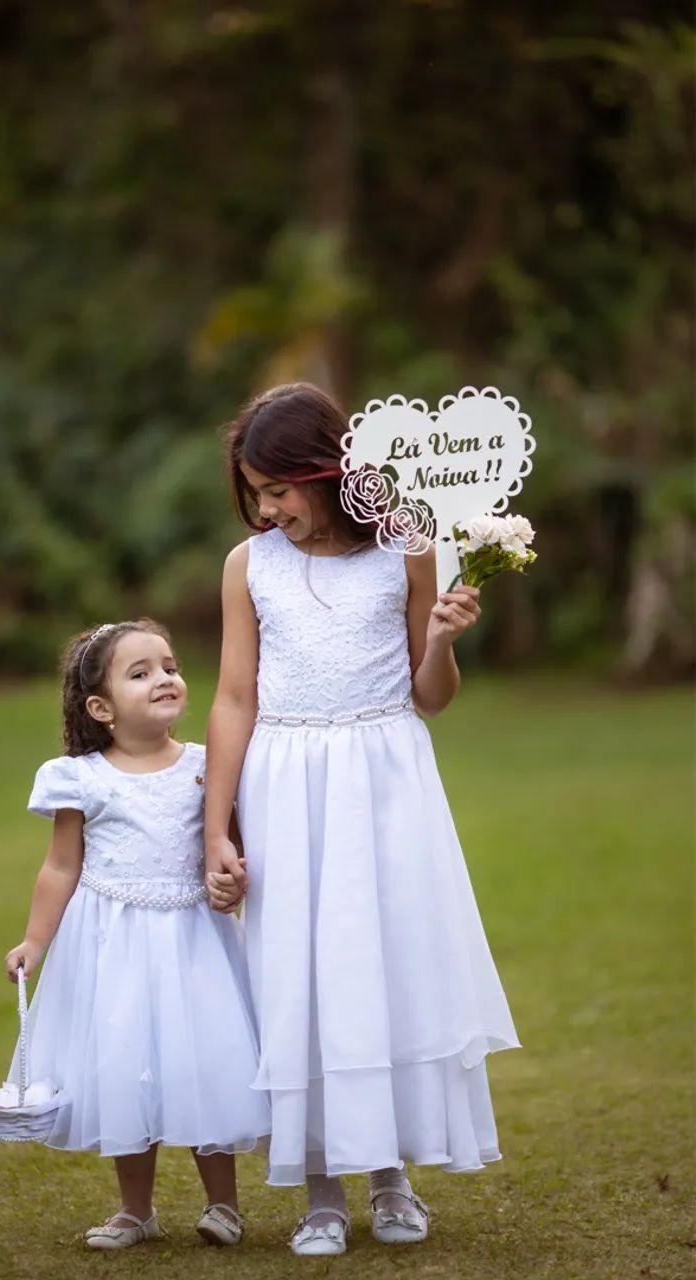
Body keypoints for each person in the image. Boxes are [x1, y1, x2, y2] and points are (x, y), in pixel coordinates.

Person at [204, 383, 520, 1256]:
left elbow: (430, 698)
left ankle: (389, 1179)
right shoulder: (250, 565)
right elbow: (234, 697)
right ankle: (319, 1193)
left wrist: (443, 642)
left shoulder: (405, 549)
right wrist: (216, 827)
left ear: (327, 471)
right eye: (255, 493)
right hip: (286, 784)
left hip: (384, 783)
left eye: (279, 489)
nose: (268, 509)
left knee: (385, 967)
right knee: (299, 974)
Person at [4, 619, 268, 1250]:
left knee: (207, 1062)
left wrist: (234, 878)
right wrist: (34, 943)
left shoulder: (209, 768)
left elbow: (233, 845)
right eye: (141, 673)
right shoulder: (82, 778)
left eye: (170, 667)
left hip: (195, 944)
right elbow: (60, 866)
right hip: (114, 949)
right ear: (101, 707)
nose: (164, 679)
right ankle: (136, 1209)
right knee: (126, 1069)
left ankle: (224, 1205)